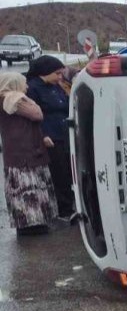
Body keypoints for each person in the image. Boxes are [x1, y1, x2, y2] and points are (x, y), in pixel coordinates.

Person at [0, 72, 58, 235]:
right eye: (24, 83)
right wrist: (33, 103)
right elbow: (37, 114)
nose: (27, 87)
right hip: (24, 152)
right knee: (28, 188)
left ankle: (30, 224)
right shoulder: (13, 99)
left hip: (22, 151)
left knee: (25, 188)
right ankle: (33, 224)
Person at [26, 56, 74, 218]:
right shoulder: (33, 89)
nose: (60, 77)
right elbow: (32, 117)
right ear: (45, 72)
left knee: (69, 171)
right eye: (57, 73)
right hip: (51, 137)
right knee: (59, 174)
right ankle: (64, 209)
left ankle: (72, 204)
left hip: (65, 134)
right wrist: (43, 135)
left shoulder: (56, 87)